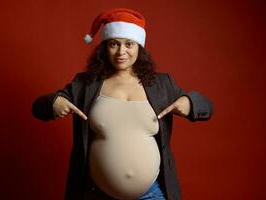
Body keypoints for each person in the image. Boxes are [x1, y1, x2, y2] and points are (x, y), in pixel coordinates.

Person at [32, 8, 213, 200]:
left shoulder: (161, 84)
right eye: (114, 44)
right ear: (104, 48)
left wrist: (190, 103)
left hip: (152, 194)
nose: (121, 52)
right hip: (98, 194)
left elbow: (207, 107)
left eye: (129, 44)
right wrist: (54, 103)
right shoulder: (86, 84)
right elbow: (38, 108)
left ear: (139, 48)